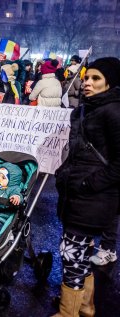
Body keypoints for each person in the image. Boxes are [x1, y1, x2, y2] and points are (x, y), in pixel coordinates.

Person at [54, 57, 120, 317]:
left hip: (93, 198)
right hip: (78, 196)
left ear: (110, 84)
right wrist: (63, 175)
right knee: (78, 254)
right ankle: (85, 305)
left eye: (95, 79)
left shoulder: (113, 111)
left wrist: (87, 184)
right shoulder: (86, 109)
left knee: (71, 254)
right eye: (86, 77)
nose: (86, 83)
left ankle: (66, 312)